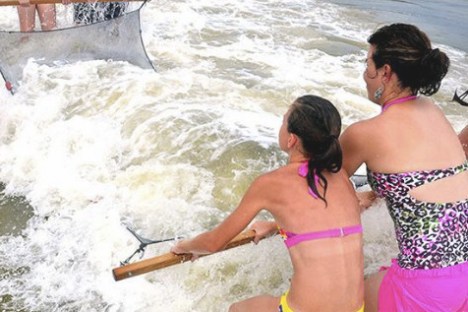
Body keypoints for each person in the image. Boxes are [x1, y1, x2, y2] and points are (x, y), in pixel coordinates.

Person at [171, 95, 365, 312]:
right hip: (356, 308)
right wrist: (276, 225)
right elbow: (324, 223)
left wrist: (183, 246)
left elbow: (212, 243)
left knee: (237, 309)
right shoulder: (341, 178)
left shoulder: (270, 183)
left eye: (283, 120)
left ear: (291, 139)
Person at [339, 23, 468, 311]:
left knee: (339, 299)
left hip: (425, 288)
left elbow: (316, 192)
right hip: (464, 277)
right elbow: (419, 175)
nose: (365, 75)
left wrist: (274, 224)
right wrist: (373, 193)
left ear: (385, 72)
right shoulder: (432, 111)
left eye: (368, 63)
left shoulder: (364, 133)